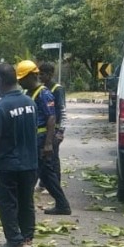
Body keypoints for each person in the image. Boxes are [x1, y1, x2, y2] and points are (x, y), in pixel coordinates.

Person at [0, 63, 38, 247]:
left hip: (8, 164)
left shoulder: (0, 106)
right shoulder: (30, 103)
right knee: (26, 200)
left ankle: (14, 241)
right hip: (30, 162)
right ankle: (27, 237)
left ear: (0, 80)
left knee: (7, 202)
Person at [16, 60, 72, 215]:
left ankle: (25, 204)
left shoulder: (44, 93)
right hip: (34, 139)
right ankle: (62, 205)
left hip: (42, 139)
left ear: (31, 76)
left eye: (22, 78)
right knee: (44, 173)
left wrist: (48, 143)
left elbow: (51, 118)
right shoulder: (28, 93)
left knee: (39, 172)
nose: (20, 82)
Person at [37, 61, 66, 182]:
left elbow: (62, 111)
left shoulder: (57, 89)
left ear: (49, 75)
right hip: (45, 130)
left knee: (53, 158)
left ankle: (56, 183)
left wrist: (60, 131)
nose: (40, 77)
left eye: (42, 74)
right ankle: (45, 183)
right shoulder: (42, 89)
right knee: (44, 158)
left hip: (55, 130)